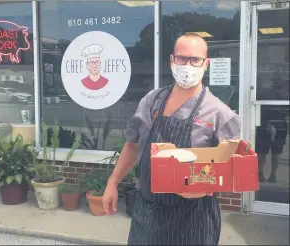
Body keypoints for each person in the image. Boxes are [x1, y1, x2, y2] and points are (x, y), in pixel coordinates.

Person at [102, 33, 241, 245]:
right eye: (182, 58)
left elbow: (231, 168)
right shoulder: (151, 101)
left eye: (195, 60)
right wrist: (112, 182)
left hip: (194, 219)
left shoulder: (220, 114)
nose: (188, 65)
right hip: (148, 212)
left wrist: (204, 187)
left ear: (206, 64)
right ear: (171, 61)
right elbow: (132, 145)